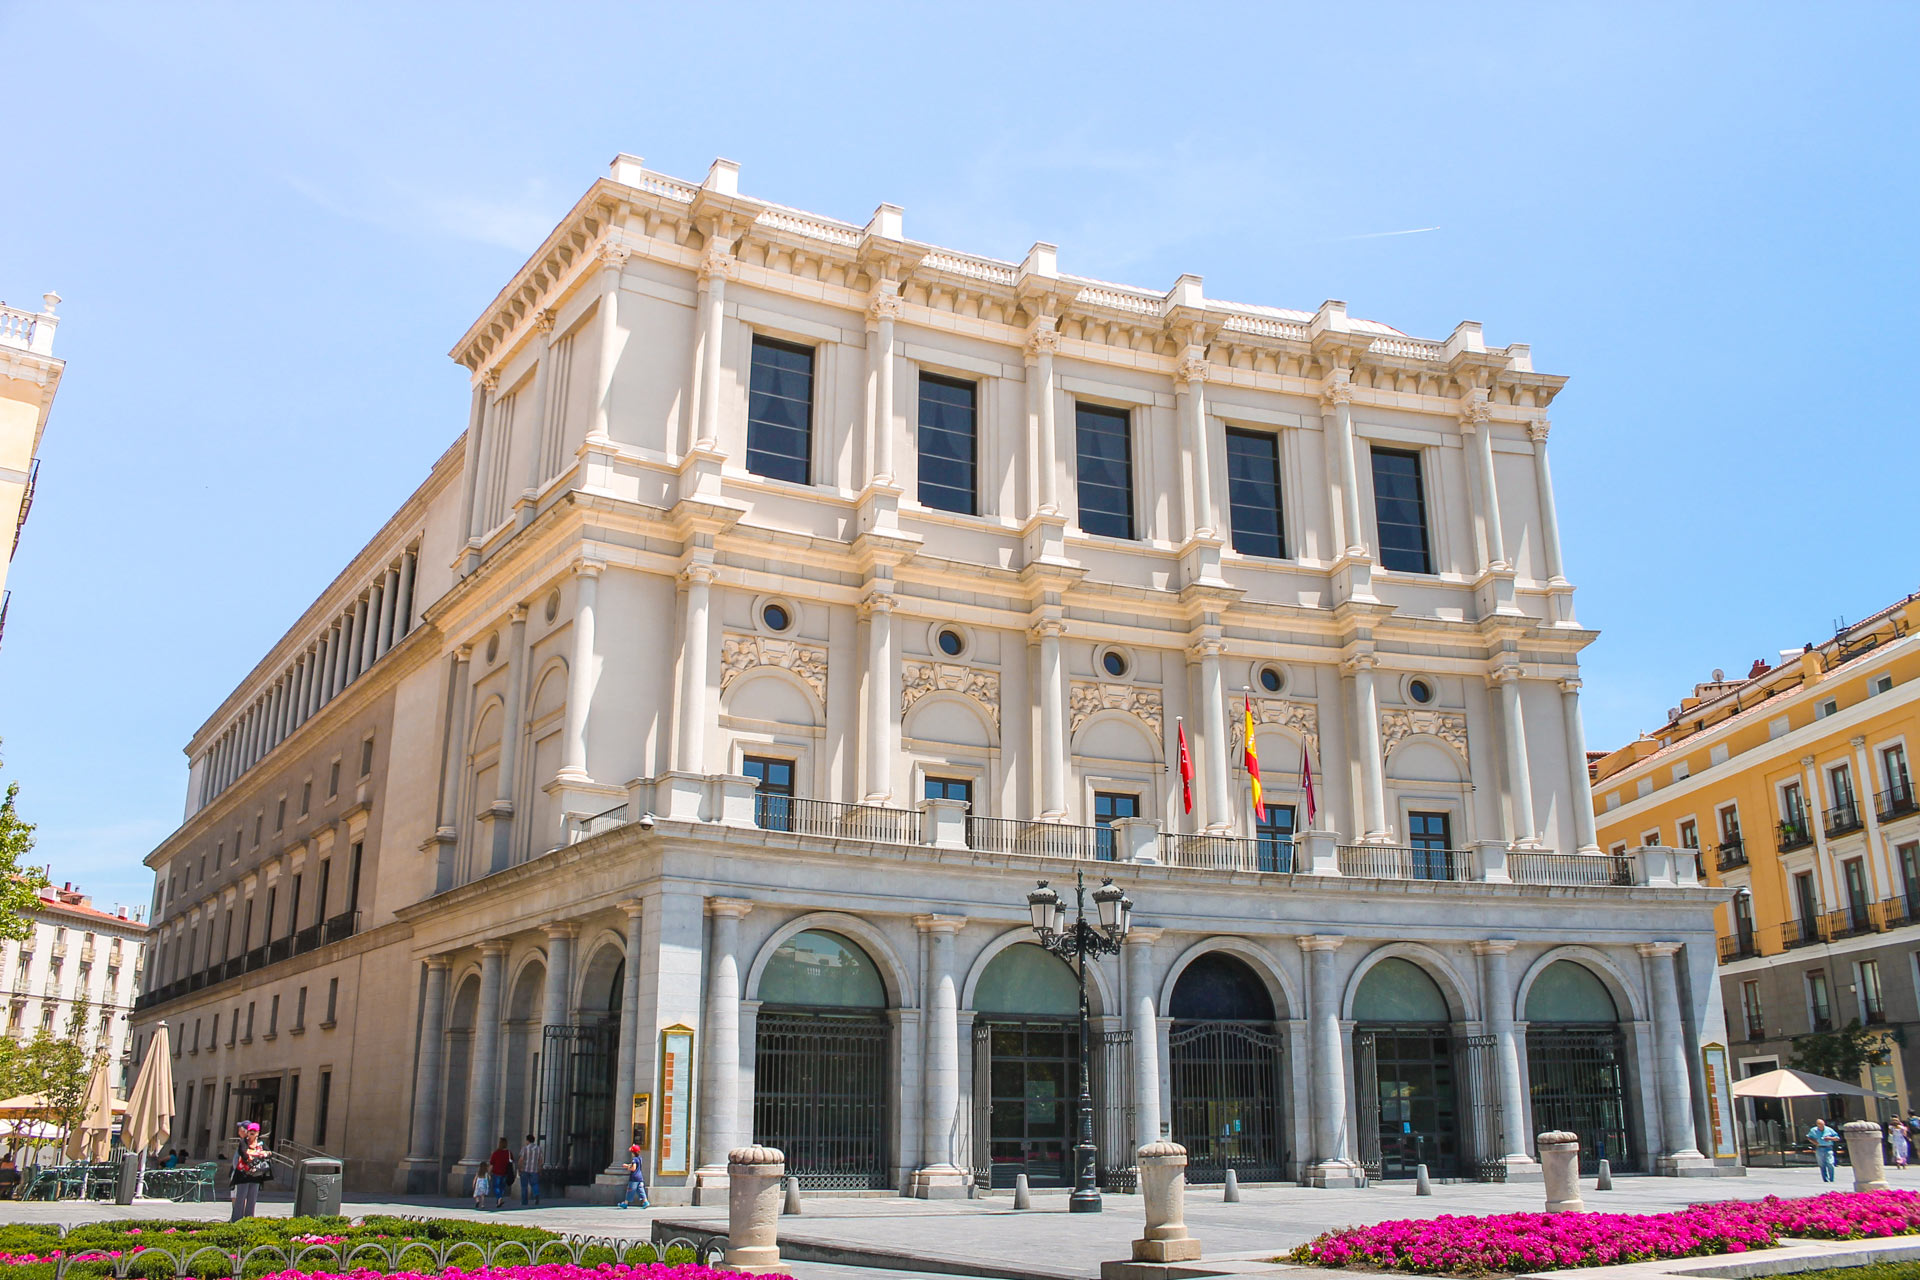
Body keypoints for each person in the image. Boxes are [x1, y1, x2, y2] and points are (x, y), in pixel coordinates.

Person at [230, 1124, 273, 1221]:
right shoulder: (243, 1142)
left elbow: (269, 1153)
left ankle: (249, 1221)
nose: (252, 1133)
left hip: (256, 1175)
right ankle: (236, 1221)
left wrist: (264, 1153)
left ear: (258, 1133)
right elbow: (244, 1153)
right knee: (240, 1199)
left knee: (252, 1199)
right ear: (248, 1132)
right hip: (243, 1175)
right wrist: (258, 1154)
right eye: (250, 1131)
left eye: (254, 1131)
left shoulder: (261, 1143)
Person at [615, 1144, 648, 1209]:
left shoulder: (634, 1159)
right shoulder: (640, 1158)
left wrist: (628, 1167)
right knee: (641, 1190)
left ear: (633, 1152)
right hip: (640, 1177)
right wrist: (628, 1165)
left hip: (634, 1178)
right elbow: (634, 1165)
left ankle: (625, 1203)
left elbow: (633, 1168)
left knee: (630, 1190)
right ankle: (645, 1202)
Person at [1808, 1117, 1841, 1183]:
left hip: (1828, 1147)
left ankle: (1831, 1179)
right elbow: (1809, 1137)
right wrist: (1814, 1142)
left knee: (1830, 1163)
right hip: (1819, 1148)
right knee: (1822, 1164)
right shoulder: (1813, 1130)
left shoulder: (1829, 1130)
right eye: (1819, 1125)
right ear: (1817, 1125)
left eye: (1822, 1125)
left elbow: (1837, 1138)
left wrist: (1830, 1138)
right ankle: (1825, 1179)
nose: (1821, 1126)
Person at [519, 1133, 543, 1207]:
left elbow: (521, 1159)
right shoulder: (538, 1148)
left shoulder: (525, 1148)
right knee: (535, 1184)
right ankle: (536, 1194)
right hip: (534, 1170)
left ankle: (524, 1201)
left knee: (524, 1186)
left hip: (525, 1169)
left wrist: (519, 1168)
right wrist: (539, 1168)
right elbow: (541, 1160)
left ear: (527, 1140)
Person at [488, 1138, 513, 1210]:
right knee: (502, 1187)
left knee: (496, 1187)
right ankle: (499, 1199)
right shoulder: (509, 1153)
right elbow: (511, 1163)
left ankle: (499, 1198)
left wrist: (489, 1172)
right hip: (505, 1172)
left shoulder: (496, 1153)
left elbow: (492, 1164)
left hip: (496, 1172)